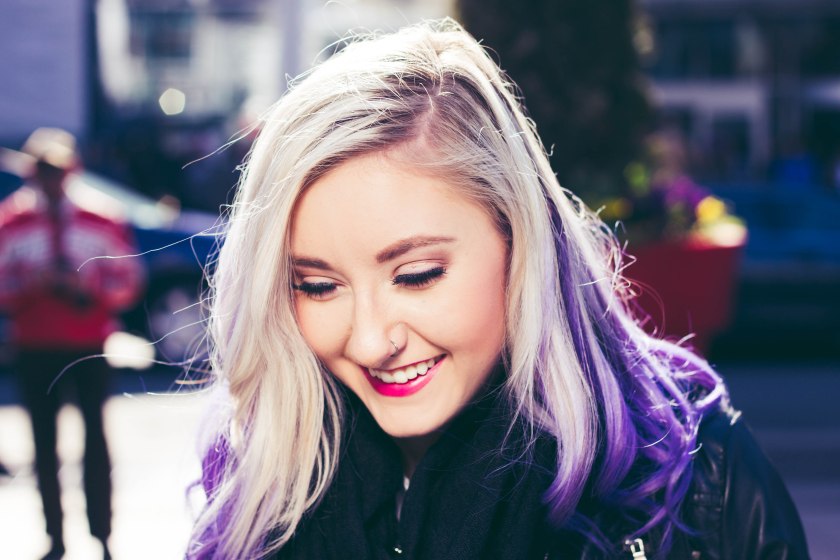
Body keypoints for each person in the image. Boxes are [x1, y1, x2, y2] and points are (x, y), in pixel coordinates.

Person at [187, 20, 808, 559]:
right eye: (319, 286)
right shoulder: (258, 481)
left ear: (519, 242)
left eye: (417, 275)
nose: (372, 341)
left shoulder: (700, 477)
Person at [0, 128, 144, 559]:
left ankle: (103, 535)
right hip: (35, 344)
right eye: (41, 170)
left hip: (87, 343)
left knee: (95, 440)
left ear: (72, 169)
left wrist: (89, 288)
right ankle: (55, 537)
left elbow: (128, 282)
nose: (50, 179)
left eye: (57, 169)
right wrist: (32, 284)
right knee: (44, 445)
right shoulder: (11, 221)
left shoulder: (101, 217)